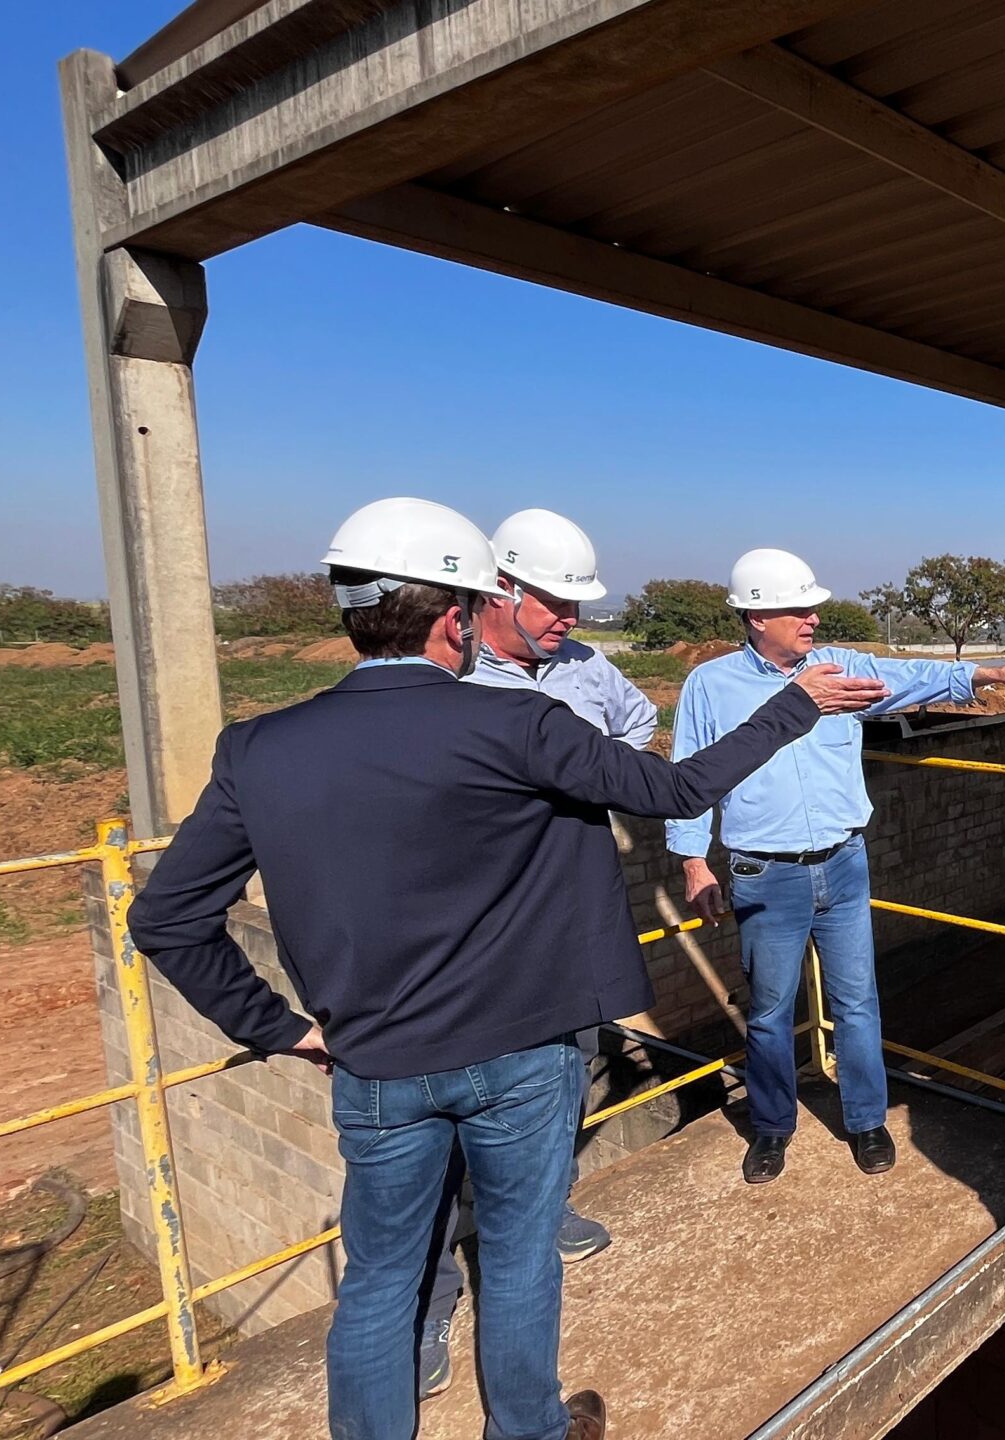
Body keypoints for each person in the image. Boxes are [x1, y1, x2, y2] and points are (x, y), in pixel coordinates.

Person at [128, 500, 888, 1440]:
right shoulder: (517, 724)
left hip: (374, 1065)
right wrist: (797, 705)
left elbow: (165, 918)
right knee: (520, 1261)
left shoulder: (260, 748)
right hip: (523, 1053)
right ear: (457, 617)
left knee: (378, 1287)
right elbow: (679, 789)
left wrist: (282, 1029)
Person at [667, 548, 1005, 1185]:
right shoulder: (711, 686)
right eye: (798, 608)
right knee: (767, 1011)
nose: (813, 617)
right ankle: (770, 1128)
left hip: (844, 864)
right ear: (756, 616)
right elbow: (688, 777)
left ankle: (867, 1121)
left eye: (814, 606)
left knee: (858, 1002)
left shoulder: (840, 669)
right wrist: (692, 862)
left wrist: (986, 675)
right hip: (767, 873)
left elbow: (909, 676)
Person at [409, 508, 656, 1401]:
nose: (572, 621)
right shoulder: (443, 675)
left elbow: (637, 727)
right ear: (497, 591)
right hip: (468, 936)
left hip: (560, 922)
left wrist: (590, 789)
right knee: (432, 1139)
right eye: (556, 603)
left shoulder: (588, 671)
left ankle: (544, 1211)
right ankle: (427, 1311)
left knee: (561, 1078)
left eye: (579, 606)